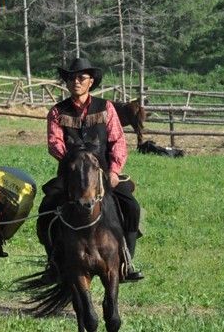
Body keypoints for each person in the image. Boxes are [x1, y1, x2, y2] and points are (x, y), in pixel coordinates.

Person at [37, 57, 144, 282]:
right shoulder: (57, 111)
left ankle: (128, 261)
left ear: (90, 81)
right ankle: (54, 261)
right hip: (71, 173)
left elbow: (118, 141)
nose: (75, 81)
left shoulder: (106, 108)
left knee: (132, 206)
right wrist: (73, 163)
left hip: (103, 174)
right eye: (71, 78)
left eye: (81, 78)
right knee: (46, 209)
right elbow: (54, 143)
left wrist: (114, 171)